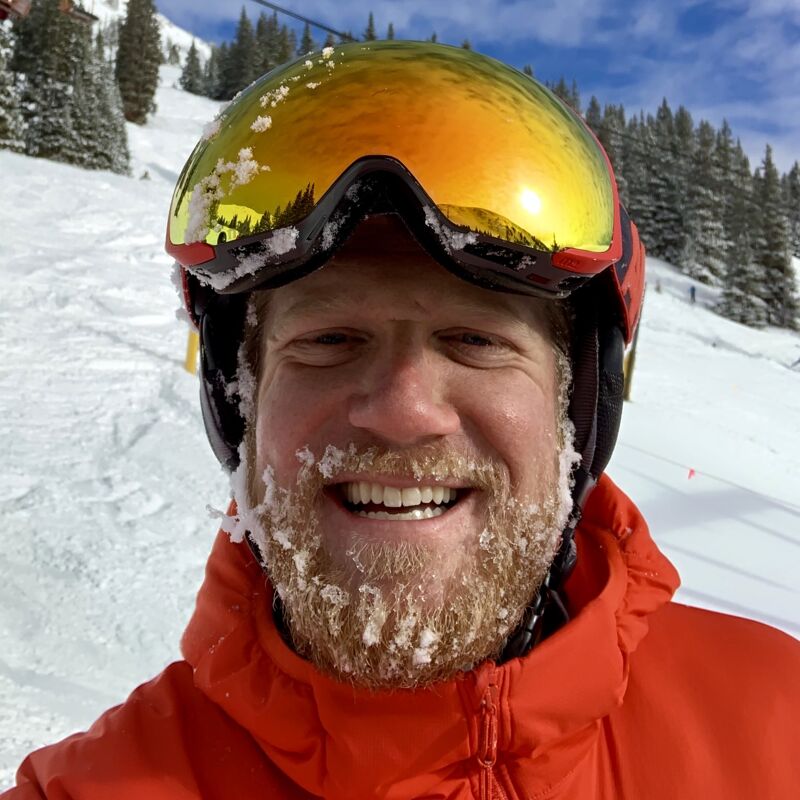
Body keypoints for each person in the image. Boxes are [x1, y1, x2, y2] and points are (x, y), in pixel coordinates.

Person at [4, 41, 798, 800]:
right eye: (328, 340)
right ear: (237, 399)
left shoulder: (776, 722)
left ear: (578, 408)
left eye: (477, 340)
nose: (402, 410)